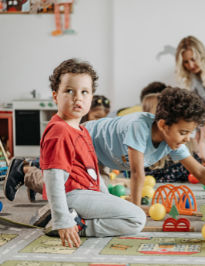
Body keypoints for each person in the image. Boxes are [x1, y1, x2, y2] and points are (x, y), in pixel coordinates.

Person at [85, 87, 205, 215]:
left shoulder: (171, 140)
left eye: (190, 133)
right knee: (87, 199)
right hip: (82, 142)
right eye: (183, 133)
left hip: (101, 161)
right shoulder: (138, 127)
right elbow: (137, 173)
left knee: (100, 200)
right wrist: (136, 210)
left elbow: (200, 171)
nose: (187, 138)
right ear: (163, 125)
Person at [41, 59, 146, 247]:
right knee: (136, 218)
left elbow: (93, 172)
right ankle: (73, 225)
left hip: (84, 193)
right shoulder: (60, 130)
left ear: (91, 97)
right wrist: (62, 218)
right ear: (55, 96)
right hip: (73, 195)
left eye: (84, 92)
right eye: (69, 91)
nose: (77, 98)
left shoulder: (82, 130)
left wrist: (106, 198)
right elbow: (53, 177)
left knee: (128, 213)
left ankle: (71, 219)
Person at [4, 94, 111, 202]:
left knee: (99, 188)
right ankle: (24, 170)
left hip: (86, 169)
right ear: (87, 112)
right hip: (70, 169)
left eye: (104, 118)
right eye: (97, 117)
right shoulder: (81, 130)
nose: (100, 121)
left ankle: (36, 169)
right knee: (70, 190)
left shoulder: (100, 130)